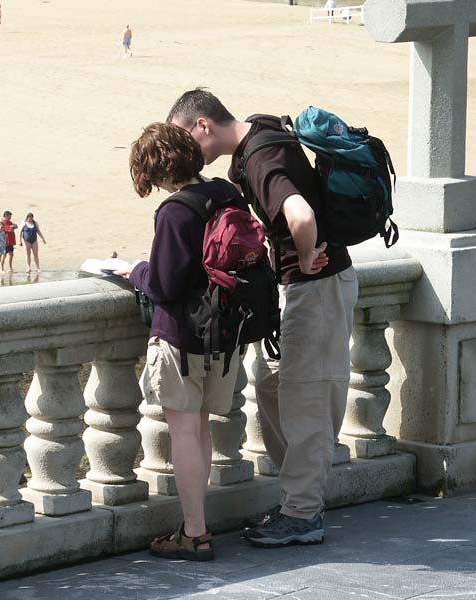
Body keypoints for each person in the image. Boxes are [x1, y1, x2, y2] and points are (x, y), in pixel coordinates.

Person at [167, 88, 357, 547]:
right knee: (275, 387)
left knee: (304, 398)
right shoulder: (264, 131)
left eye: (183, 138)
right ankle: (299, 499)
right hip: (311, 288)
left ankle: (303, 514)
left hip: (317, 286)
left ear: (202, 126)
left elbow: (300, 213)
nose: (184, 152)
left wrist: (307, 257)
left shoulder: (259, 157)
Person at [120, 123, 244, 561]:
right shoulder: (225, 193)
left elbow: (164, 286)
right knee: (201, 428)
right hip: (225, 335)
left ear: (154, 170)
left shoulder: (175, 211)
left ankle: (195, 533)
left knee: (184, 431)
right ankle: (198, 524)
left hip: (183, 338)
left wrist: (134, 271)